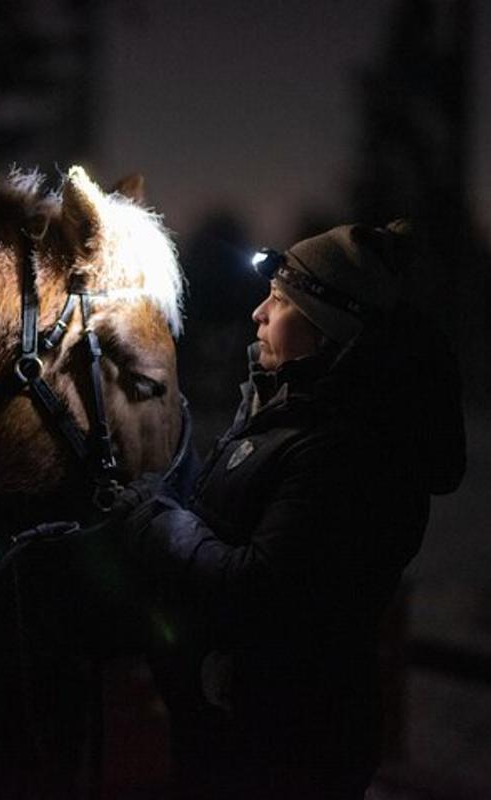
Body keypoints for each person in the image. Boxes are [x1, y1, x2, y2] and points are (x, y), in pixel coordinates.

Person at [110, 220, 466, 798]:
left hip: (288, 747)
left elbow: (261, 588)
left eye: (278, 300)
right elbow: (225, 517)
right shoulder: (286, 411)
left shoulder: (347, 450)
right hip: (234, 730)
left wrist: (157, 521)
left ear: (327, 328)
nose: (258, 314)